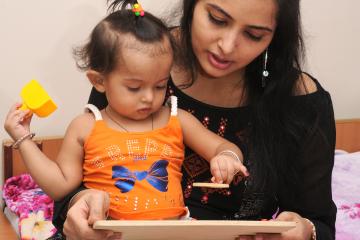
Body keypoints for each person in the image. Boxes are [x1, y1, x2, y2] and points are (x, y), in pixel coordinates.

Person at [52, 0, 337, 239]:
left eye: (253, 35)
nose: (226, 46)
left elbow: (318, 222)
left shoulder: (302, 103)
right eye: (216, 19)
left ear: (276, 34)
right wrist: (79, 205)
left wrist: (304, 230)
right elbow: (76, 181)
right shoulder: (138, 60)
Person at [4, 0, 249, 225]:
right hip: (109, 231)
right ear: (99, 81)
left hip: (172, 230)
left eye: (160, 85)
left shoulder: (176, 119)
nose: (149, 97)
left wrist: (227, 158)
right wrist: (23, 139)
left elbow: (223, 147)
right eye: (134, 87)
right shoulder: (85, 126)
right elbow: (59, 186)